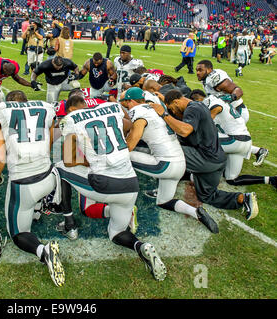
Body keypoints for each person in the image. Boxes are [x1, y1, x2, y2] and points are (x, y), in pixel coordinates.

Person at [56, 95, 167, 281]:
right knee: (116, 232)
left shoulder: (70, 120)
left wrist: (89, 161)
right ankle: (141, 246)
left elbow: (69, 160)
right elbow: (129, 124)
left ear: (70, 110)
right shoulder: (111, 108)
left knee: (59, 167)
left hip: (103, 184)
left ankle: (69, 224)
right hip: (131, 185)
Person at [0, 90, 65, 287]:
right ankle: (37, 210)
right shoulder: (45, 108)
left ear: (8, 102)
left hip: (25, 183)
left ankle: (42, 251)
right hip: (49, 177)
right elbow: (55, 133)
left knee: (18, 234)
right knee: (34, 198)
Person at [120, 88, 219, 233]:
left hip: (164, 165)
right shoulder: (155, 108)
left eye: (125, 104)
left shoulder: (138, 112)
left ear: (131, 101)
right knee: (164, 201)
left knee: (121, 156)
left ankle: (122, 204)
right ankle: (196, 212)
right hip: (180, 164)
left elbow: (130, 144)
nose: (126, 107)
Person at [150, 89, 259, 221]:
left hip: (205, 158)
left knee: (169, 151)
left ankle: (162, 188)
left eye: (172, 108)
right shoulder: (197, 105)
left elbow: (184, 131)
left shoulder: (192, 109)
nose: (173, 112)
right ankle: (242, 198)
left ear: (176, 101)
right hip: (217, 161)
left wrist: (164, 114)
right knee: (207, 196)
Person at [190, 90, 276, 189]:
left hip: (234, 140)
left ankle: (196, 173)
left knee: (201, 141)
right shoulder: (214, 100)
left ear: (197, 100)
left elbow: (205, 126)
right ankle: (271, 180)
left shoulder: (212, 104)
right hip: (244, 142)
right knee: (232, 179)